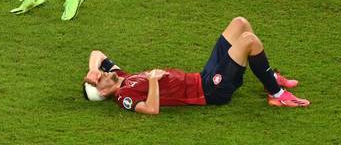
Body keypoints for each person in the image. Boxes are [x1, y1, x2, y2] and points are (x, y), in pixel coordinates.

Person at [82, 17, 310, 114]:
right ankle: (277, 93)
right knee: (249, 41)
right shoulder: (124, 97)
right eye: (100, 78)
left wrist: (93, 68)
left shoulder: (121, 77)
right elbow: (151, 110)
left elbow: (97, 53)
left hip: (202, 76)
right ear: (103, 92)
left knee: (240, 24)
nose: (103, 74)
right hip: (210, 90)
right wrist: (152, 80)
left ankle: (267, 77)